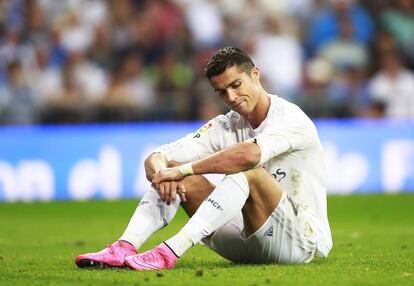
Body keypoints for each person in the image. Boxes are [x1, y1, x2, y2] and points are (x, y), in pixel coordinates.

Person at [75, 47, 332, 270]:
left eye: (236, 85)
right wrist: (165, 173)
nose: (230, 98)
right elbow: (157, 156)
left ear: (255, 74)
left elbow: (248, 155)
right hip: (247, 241)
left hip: (298, 242)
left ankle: (170, 251)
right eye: (221, 92)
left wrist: (182, 171)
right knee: (171, 170)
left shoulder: (291, 119)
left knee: (247, 171)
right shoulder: (226, 125)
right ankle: (124, 245)